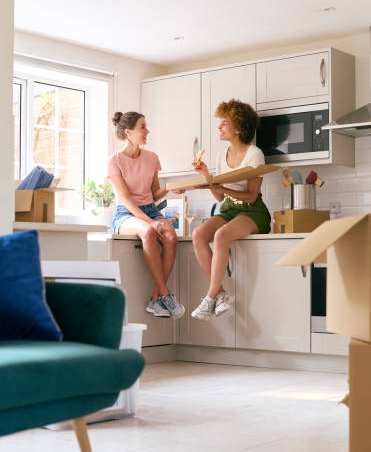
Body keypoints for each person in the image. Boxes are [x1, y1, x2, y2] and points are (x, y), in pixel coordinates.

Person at [191, 99, 271, 321]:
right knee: (198, 234)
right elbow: (219, 196)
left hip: (252, 211)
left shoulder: (255, 154)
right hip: (227, 209)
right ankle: (222, 294)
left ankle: (209, 297)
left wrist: (222, 187)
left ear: (238, 127)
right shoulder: (220, 155)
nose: (219, 127)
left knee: (221, 235)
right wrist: (206, 175)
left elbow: (251, 196)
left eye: (224, 123)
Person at [107, 111, 185, 319]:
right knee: (149, 231)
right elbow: (126, 200)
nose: (147, 131)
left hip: (150, 208)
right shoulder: (114, 161)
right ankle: (165, 294)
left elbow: (154, 192)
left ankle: (156, 299)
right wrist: (151, 222)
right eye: (142, 127)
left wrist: (171, 187)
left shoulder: (152, 158)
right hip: (126, 214)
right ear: (128, 132)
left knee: (170, 236)